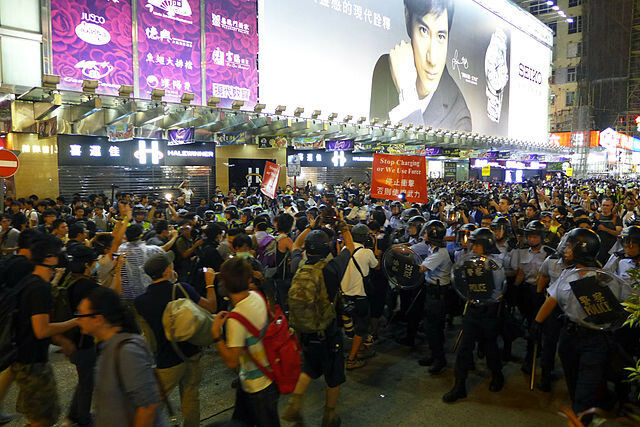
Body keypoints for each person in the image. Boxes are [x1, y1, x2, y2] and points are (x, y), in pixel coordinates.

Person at [532, 228, 621, 423]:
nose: (565, 249)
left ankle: (583, 417)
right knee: (572, 382)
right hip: (569, 336)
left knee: (584, 390)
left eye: (570, 246)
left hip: (595, 340)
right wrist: (537, 323)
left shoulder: (603, 279)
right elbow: (552, 299)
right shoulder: (568, 274)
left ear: (583, 249)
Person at [282, 214, 354, 427]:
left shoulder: (298, 265)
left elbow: (295, 243)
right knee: (333, 376)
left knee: (310, 367)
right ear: (327, 247)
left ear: (308, 248)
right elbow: (349, 247)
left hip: (305, 331)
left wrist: (310, 226)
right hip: (328, 331)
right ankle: (329, 416)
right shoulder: (332, 269)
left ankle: (295, 402)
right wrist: (343, 225)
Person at [135, 252, 216, 427]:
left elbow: (150, 337)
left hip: (166, 359)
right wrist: (210, 283)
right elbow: (211, 307)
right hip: (192, 352)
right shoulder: (182, 288)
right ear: (166, 271)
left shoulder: (141, 301)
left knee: (155, 401)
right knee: (190, 395)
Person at [369, 0, 471, 131]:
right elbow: (372, 146)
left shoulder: (459, 116)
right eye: (423, 31)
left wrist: (408, 100)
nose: (432, 59)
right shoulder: (385, 67)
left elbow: (420, 152)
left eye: (441, 36)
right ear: (407, 18)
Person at [76, 287, 167, 426]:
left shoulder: (127, 351)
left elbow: (148, 407)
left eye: (81, 315)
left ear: (98, 319)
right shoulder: (107, 346)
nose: (78, 320)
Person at [12, 234, 78, 427]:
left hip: (25, 357)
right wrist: (73, 323)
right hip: (31, 361)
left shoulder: (29, 281)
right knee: (43, 418)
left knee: (37, 417)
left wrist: (60, 339)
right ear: (49, 257)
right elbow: (41, 330)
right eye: (59, 252)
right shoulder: (38, 288)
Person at [211, 257, 280, 427]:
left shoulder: (236, 319)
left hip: (258, 385)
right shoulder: (257, 296)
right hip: (268, 373)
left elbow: (231, 361)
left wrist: (216, 335)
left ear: (224, 285)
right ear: (249, 279)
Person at [443, 228, 506, 403]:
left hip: (489, 310)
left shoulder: (496, 264)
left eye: (477, 244)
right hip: (472, 308)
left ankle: (497, 375)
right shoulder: (467, 261)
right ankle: (459, 385)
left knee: (490, 347)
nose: (473, 247)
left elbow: (498, 289)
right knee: (464, 348)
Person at [63, 244, 101, 427]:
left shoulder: (67, 278)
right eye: (95, 262)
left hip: (68, 336)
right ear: (87, 265)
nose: (96, 265)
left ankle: (74, 414)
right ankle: (83, 419)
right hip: (83, 339)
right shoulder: (87, 285)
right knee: (87, 382)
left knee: (84, 378)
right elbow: (107, 298)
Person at [342, 223, 379, 370]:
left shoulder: (345, 249)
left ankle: (362, 349)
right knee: (361, 327)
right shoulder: (366, 252)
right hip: (360, 296)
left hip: (345, 296)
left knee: (354, 325)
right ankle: (352, 359)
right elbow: (376, 266)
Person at [417, 220, 452, 374]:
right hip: (431, 292)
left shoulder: (439, 253)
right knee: (430, 327)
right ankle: (434, 355)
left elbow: (421, 268)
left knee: (435, 328)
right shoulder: (433, 250)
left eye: (426, 232)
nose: (424, 234)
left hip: (438, 295)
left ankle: (440, 359)